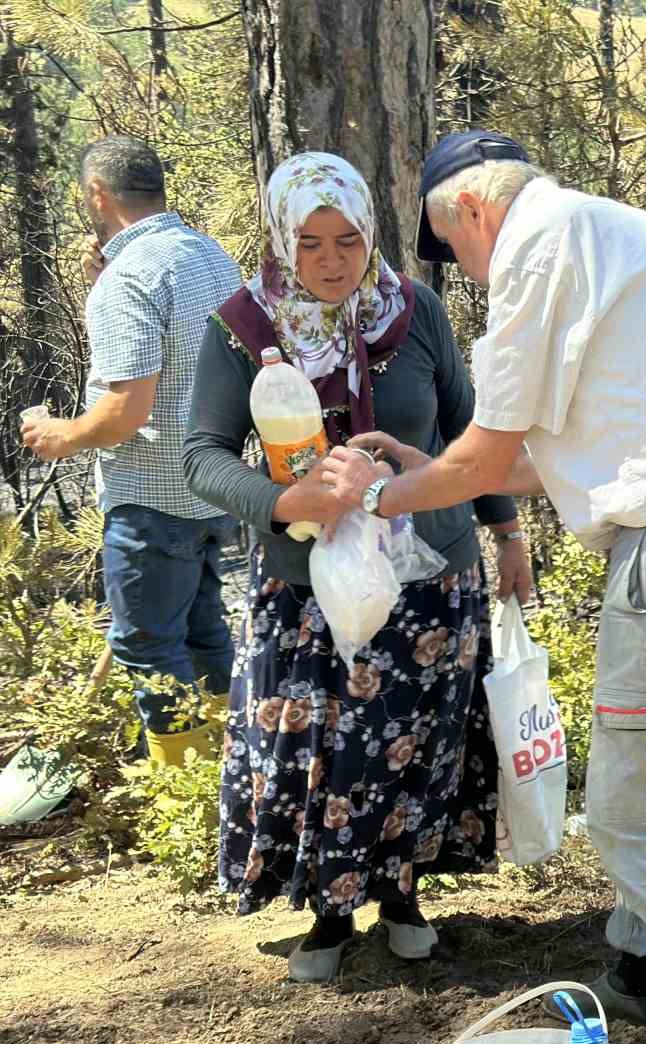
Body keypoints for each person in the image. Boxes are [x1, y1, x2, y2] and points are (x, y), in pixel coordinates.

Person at [320, 131, 646, 1025]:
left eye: (452, 246)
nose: (460, 268)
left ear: (470, 207)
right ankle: (645, 964)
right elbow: (562, 454)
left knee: (630, 808)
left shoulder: (537, 251)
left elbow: (486, 459)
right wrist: (435, 467)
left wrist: (380, 496)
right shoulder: (626, 232)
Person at [182, 152, 529, 983]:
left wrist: (506, 530)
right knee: (320, 747)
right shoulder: (243, 330)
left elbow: (467, 430)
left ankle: (404, 894)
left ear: (372, 235)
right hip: (305, 587)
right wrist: (287, 503)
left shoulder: (415, 313)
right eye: (309, 244)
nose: (331, 261)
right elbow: (200, 455)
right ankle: (331, 913)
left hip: (426, 576)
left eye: (347, 241)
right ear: (279, 240)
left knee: (419, 741)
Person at [23, 136, 241, 761]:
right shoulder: (209, 256)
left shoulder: (132, 277)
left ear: (98, 196)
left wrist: (58, 436)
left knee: (147, 644)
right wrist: (103, 284)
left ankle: (182, 785)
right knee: (204, 631)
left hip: (152, 498)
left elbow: (126, 411)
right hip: (210, 489)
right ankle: (231, 763)